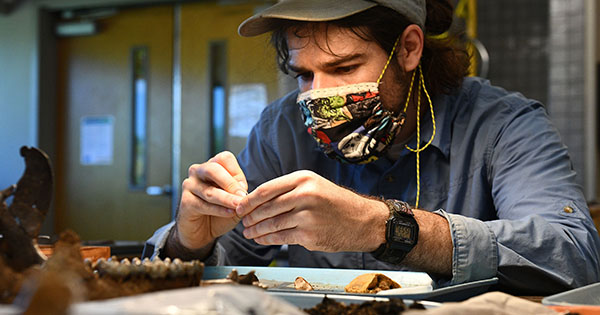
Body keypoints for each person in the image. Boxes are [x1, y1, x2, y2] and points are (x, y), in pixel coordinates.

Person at [143, 0, 600, 295]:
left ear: (409, 49)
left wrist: (386, 228)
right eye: (304, 75)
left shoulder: (503, 126)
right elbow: (224, 268)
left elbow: (574, 257)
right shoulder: (283, 128)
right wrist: (190, 243)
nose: (317, 98)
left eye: (343, 68)